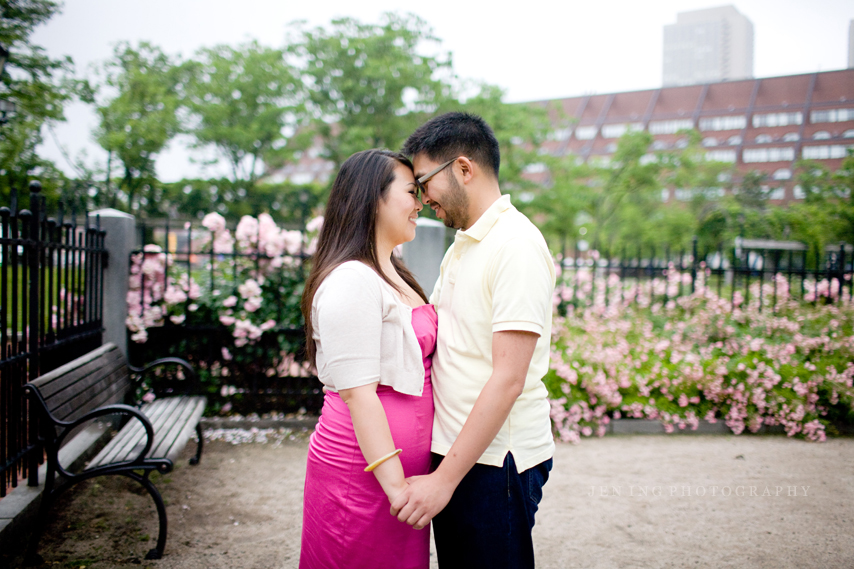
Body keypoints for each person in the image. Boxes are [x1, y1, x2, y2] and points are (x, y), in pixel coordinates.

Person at [391, 112, 556, 569]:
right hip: (464, 456)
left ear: (464, 169)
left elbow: (508, 378)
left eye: (424, 182)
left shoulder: (516, 245)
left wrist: (444, 480)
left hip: (493, 463)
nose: (422, 199)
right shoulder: (467, 242)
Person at [299, 149, 437, 569]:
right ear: (371, 198)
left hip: (402, 482)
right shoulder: (350, 280)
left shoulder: (394, 270)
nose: (420, 203)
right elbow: (360, 395)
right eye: (411, 192)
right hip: (363, 478)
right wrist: (396, 487)